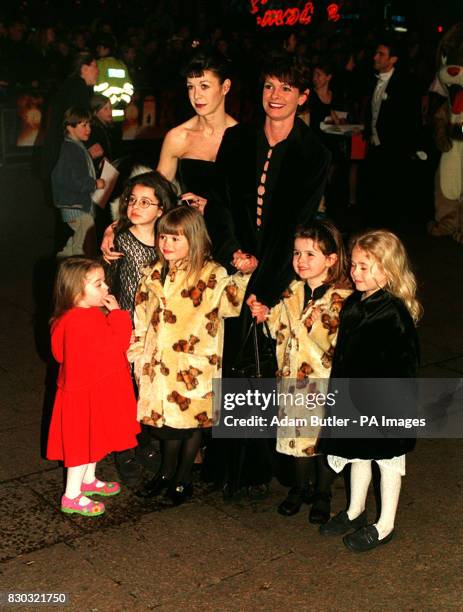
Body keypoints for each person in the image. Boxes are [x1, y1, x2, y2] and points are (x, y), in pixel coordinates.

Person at [204, 51, 331, 497]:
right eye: (268, 87)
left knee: (264, 368)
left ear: (302, 96)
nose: (275, 97)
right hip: (234, 268)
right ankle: (226, 466)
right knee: (229, 365)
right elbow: (218, 203)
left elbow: (296, 224)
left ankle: (256, 471)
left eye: (285, 88)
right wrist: (231, 252)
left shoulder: (313, 152)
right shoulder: (238, 140)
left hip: (279, 275)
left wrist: (269, 288)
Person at [128, 206, 256, 505]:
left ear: (194, 239)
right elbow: (141, 314)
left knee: (189, 424)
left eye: (175, 239)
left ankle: (182, 477)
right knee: (166, 425)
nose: (167, 244)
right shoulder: (153, 272)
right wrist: (136, 351)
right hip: (157, 363)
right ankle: (165, 472)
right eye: (163, 237)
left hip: (194, 365)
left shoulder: (211, 274)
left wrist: (244, 275)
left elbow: (232, 304)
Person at [318, 230, 421, 552]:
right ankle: (355, 510)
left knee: (387, 461)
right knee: (357, 454)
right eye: (355, 265)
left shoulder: (393, 313)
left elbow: (405, 367)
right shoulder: (355, 303)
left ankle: (385, 523)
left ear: (387, 271)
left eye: (365, 267)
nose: (355, 272)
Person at [249, 221, 352, 522]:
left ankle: (322, 492)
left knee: (320, 441)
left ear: (331, 259)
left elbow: (333, 342)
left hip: (323, 382)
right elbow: (278, 332)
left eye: (310, 254)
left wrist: (313, 321)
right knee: (295, 439)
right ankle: (299, 487)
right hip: (291, 379)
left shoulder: (340, 298)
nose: (301, 261)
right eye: (297, 254)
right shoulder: (291, 291)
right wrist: (266, 316)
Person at [100, 50, 237, 261]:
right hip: (190, 239)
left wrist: (213, 208)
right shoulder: (178, 137)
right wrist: (115, 226)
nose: (196, 95)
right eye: (190, 87)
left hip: (233, 239)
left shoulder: (244, 138)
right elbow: (155, 190)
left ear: (225, 87)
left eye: (204, 86)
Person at [46, 257, 140, 516]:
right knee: (82, 446)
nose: (106, 288)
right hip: (88, 394)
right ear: (77, 290)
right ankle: (72, 495)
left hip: (86, 392)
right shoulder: (84, 319)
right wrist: (119, 315)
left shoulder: (69, 317)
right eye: (98, 284)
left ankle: (88, 481)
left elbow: (60, 354)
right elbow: (115, 345)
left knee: (92, 440)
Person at [108, 171, 178, 484]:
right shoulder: (122, 238)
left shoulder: (170, 242)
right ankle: (124, 449)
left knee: (147, 390)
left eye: (146, 202)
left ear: (161, 210)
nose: (136, 206)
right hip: (126, 325)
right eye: (132, 200)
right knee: (124, 392)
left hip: (157, 327)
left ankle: (145, 442)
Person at [360, 37, 421, 228]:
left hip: (394, 148)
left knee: (391, 196)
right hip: (375, 146)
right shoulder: (373, 81)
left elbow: (411, 119)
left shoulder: (405, 84)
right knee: (373, 192)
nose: (375, 57)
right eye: (376, 53)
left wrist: (406, 149)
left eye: (381, 54)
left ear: (393, 60)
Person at [51, 107, 105, 257]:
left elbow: (78, 170)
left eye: (89, 125)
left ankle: (65, 262)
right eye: (84, 125)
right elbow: (72, 180)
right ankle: (74, 270)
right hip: (76, 205)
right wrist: (95, 184)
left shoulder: (75, 146)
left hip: (78, 204)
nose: (89, 129)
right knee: (85, 243)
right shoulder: (70, 149)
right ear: (70, 126)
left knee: (80, 240)